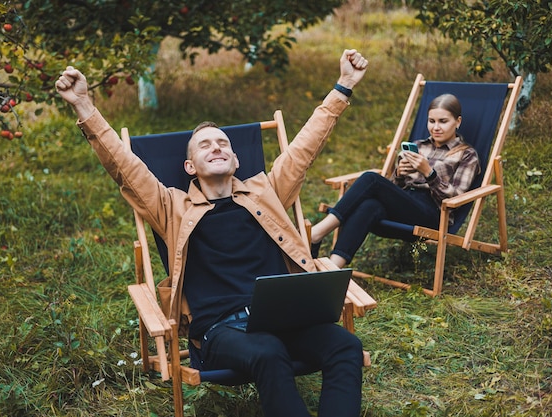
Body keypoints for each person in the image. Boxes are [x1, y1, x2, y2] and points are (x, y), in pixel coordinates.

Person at [56, 49, 369, 417]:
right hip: (222, 332)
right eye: (205, 145)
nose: (216, 147)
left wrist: (344, 85)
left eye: (223, 144)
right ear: (190, 166)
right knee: (268, 352)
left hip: (285, 318)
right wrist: (84, 106)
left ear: (236, 161)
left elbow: (304, 148)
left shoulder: (266, 192)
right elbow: (124, 167)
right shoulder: (171, 207)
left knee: (345, 346)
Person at [310, 93, 481, 268]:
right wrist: (399, 174)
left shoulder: (466, 155)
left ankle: (317, 233)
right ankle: (332, 269)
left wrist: (429, 173)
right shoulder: (419, 145)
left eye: (443, 121)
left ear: (457, 122)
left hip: (432, 214)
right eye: (431, 121)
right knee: (370, 206)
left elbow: (455, 200)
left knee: (371, 179)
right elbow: (392, 189)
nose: (436, 127)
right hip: (405, 204)